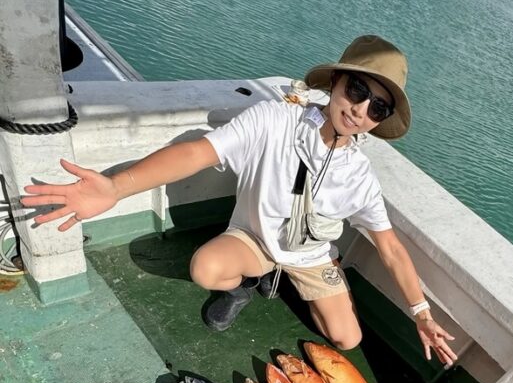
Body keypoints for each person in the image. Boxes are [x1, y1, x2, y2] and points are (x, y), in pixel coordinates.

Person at [22, 35, 456, 365]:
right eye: (358, 89)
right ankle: (248, 284)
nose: (361, 109)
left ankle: (302, 280)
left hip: (311, 256)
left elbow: (391, 247)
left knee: (348, 339)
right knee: (205, 268)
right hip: (254, 239)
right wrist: (117, 186)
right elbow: (196, 152)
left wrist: (421, 313)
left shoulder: (360, 177)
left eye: (378, 107)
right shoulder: (275, 119)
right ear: (336, 82)